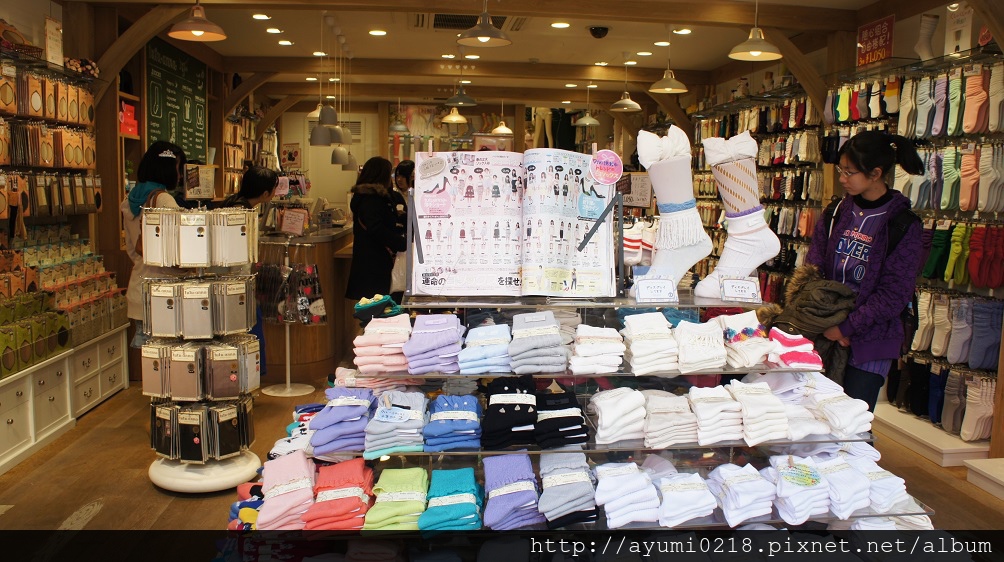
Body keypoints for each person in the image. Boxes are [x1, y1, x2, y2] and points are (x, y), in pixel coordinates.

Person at [805, 130, 925, 411]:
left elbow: (894, 294)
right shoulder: (835, 212)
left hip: (871, 341)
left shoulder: (903, 224)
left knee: (852, 422)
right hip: (825, 332)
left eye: (849, 172)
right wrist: (828, 323)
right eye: (841, 170)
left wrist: (845, 328)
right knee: (813, 413)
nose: (842, 178)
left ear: (875, 173)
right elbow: (814, 268)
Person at [122, 141, 186, 348]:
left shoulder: (129, 199)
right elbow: (178, 249)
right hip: (164, 293)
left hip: (138, 287)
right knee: (170, 359)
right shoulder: (164, 200)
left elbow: (131, 249)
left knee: (150, 359)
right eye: (178, 168)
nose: (180, 175)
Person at [346, 156, 407, 301]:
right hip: (375, 262)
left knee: (373, 305)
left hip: (369, 261)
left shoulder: (366, 197)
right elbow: (377, 229)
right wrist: (399, 242)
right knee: (378, 306)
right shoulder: (372, 199)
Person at [392, 160, 413, 230]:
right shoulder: (393, 193)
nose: (399, 179)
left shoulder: (417, 194)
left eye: (403, 176)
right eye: (397, 176)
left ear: (412, 176)